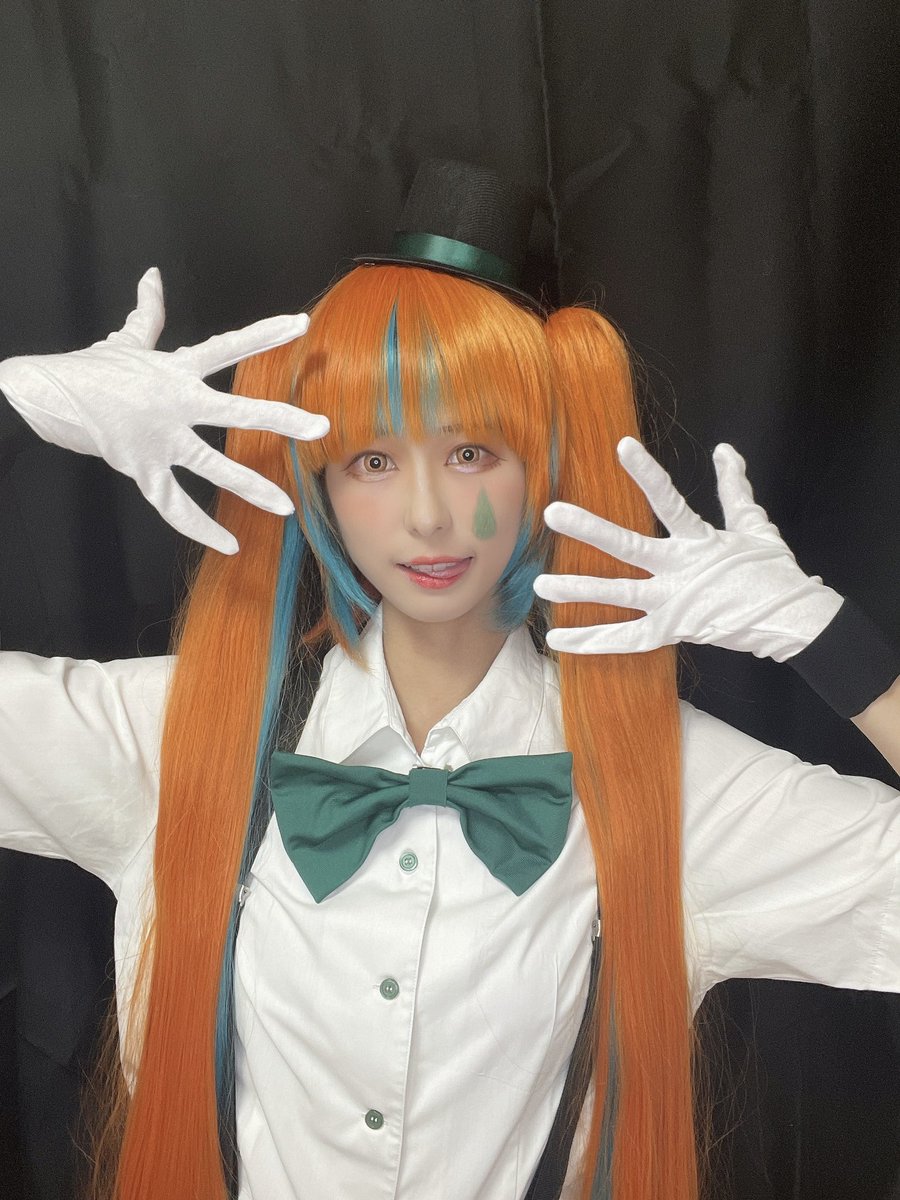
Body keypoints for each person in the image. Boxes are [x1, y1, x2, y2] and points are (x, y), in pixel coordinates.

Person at [1, 160, 899, 1200]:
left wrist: (830, 643)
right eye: (373, 461)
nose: (429, 515)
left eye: (472, 452)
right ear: (321, 489)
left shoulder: (670, 782)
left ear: (541, 466)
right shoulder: (171, 734)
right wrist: (17, 399)